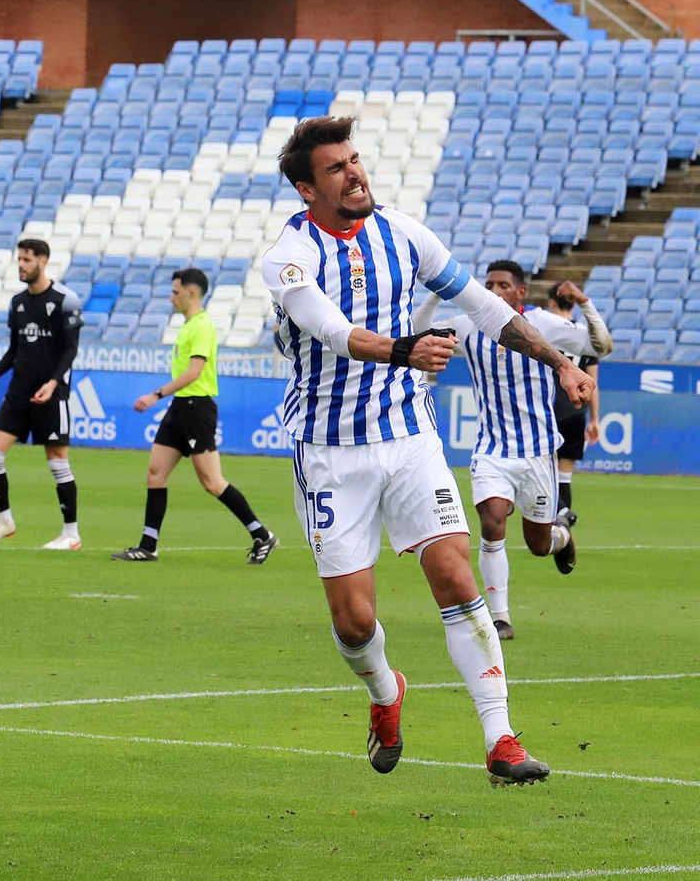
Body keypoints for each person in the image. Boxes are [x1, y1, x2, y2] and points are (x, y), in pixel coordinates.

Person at [261, 116, 593, 786]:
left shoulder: (405, 232)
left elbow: (486, 309)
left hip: (409, 437)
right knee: (354, 622)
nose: (355, 172)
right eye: (336, 167)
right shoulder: (288, 255)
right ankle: (386, 692)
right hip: (329, 451)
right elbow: (330, 329)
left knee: (456, 575)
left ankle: (501, 739)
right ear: (307, 188)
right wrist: (404, 350)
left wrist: (560, 361)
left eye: (355, 159)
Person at [412, 263, 613, 640]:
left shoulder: (545, 324)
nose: (493, 290)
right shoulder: (468, 323)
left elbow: (601, 345)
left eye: (503, 285)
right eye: (488, 284)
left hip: (537, 451)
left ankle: (562, 538)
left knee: (539, 544)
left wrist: (584, 303)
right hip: (491, 448)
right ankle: (500, 617)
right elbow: (416, 333)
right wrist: (438, 291)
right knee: (491, 524)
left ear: (520, 293)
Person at [114, 266, 278, 564]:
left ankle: (262, 534)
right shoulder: (189, 326)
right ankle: (148, 545)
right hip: (181, 407)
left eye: (175, 292)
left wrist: (155, 394)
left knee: (212, 482)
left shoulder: (202, 326)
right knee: (155, 473)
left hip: (196, 408)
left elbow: (194, 373)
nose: (171, 298)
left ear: (192, 292)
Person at [0, 238, 85, 551]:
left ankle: (71, 533)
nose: (21, 265)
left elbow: (71, 349)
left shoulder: (66, 299)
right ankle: (4, 519)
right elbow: (15, 348)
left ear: (43, 262)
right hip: (18, 392)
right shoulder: (18, 302)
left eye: (27, 260)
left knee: (58, 461)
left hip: (52, 394)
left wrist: (53, 382)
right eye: (19, 259)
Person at [543, 280, 612, 530]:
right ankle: (563, 530)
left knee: (541, 472)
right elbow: (592, 382)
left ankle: (561, 512)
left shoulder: (544, 332)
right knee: (564, 476)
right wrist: (594, 419)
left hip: (546, 409)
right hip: (575, 410)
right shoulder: (584, 335)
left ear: (551, 302)